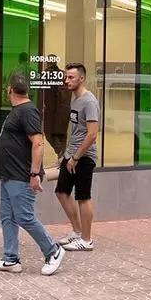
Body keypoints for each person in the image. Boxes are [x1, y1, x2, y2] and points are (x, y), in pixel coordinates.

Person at [0, 73, 66, 276]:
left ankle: (53, 251)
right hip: (9, 175)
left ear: (9, 90)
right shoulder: (19, 110)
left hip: (20, 176)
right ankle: (10, 259)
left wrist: (34, 174)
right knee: (8, 217)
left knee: (24, 216)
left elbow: (38, 143)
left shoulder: (28, 111)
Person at [55, 63, 100, 252]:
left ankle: (87, 240)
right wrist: (66, 155)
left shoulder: (89, 102)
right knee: (61, 192)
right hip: (72, 153)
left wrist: (75, 158)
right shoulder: (75, 100)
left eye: (71, 77)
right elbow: (75, 131)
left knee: (83, 196)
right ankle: (77, 231)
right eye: (66, 77)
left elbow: (92, 134)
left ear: (82, 78)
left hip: (84, 156)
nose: (67, 81)